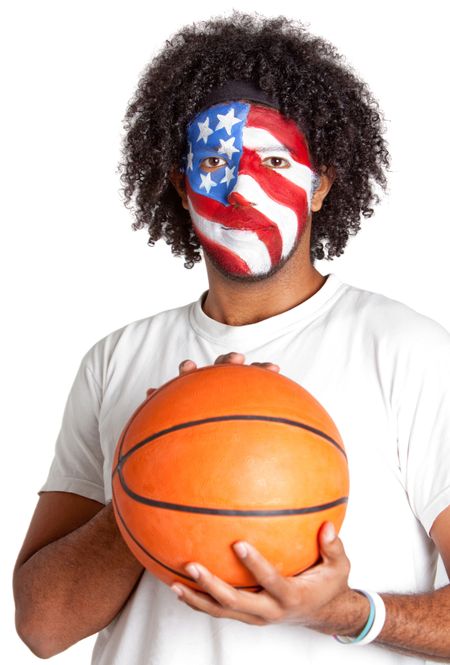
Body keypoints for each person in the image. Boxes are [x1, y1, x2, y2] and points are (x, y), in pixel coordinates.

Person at [13, 10, 450, 665]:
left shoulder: (408, 349)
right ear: (181, 187)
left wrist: (344, 612)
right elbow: (42, 628)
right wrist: (148, 472)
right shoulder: (115, 361)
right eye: (216, 159)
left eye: (274, 159)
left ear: (323, 181)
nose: (243, 186)